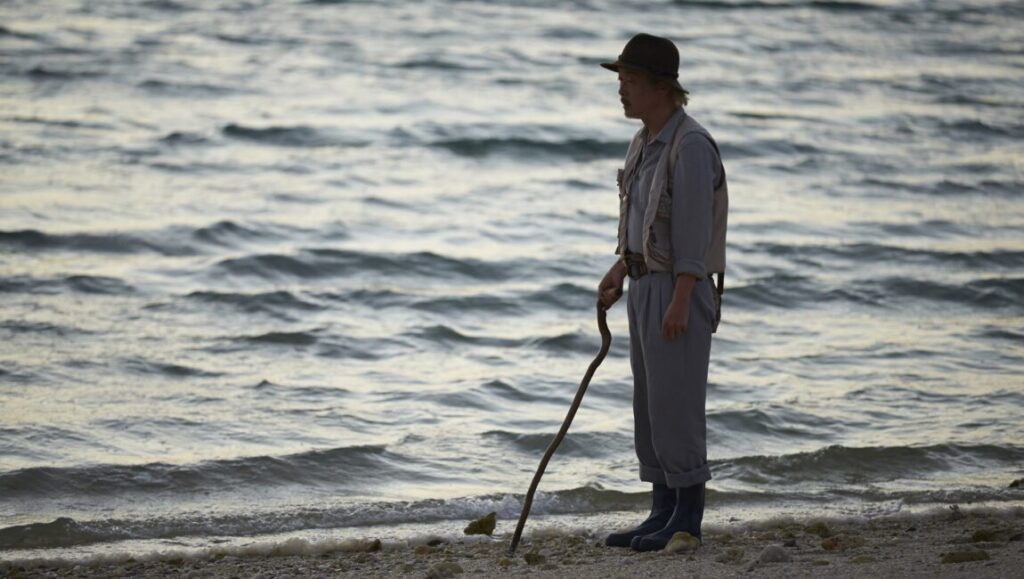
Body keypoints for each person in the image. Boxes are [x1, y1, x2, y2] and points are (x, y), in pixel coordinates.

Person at [595, 33, 728, 552]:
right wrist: (620, 269)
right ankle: (662, 510)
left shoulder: (690, 145)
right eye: (621, 81)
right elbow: (649, 223)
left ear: (660, 87)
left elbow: (692, 232)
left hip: (680, 291)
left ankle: (687, 519)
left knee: (677, 404)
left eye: (628, 81)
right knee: (650, 405)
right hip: (647, 284)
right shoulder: (645, 141)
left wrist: (680, 298)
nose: (621, 91)